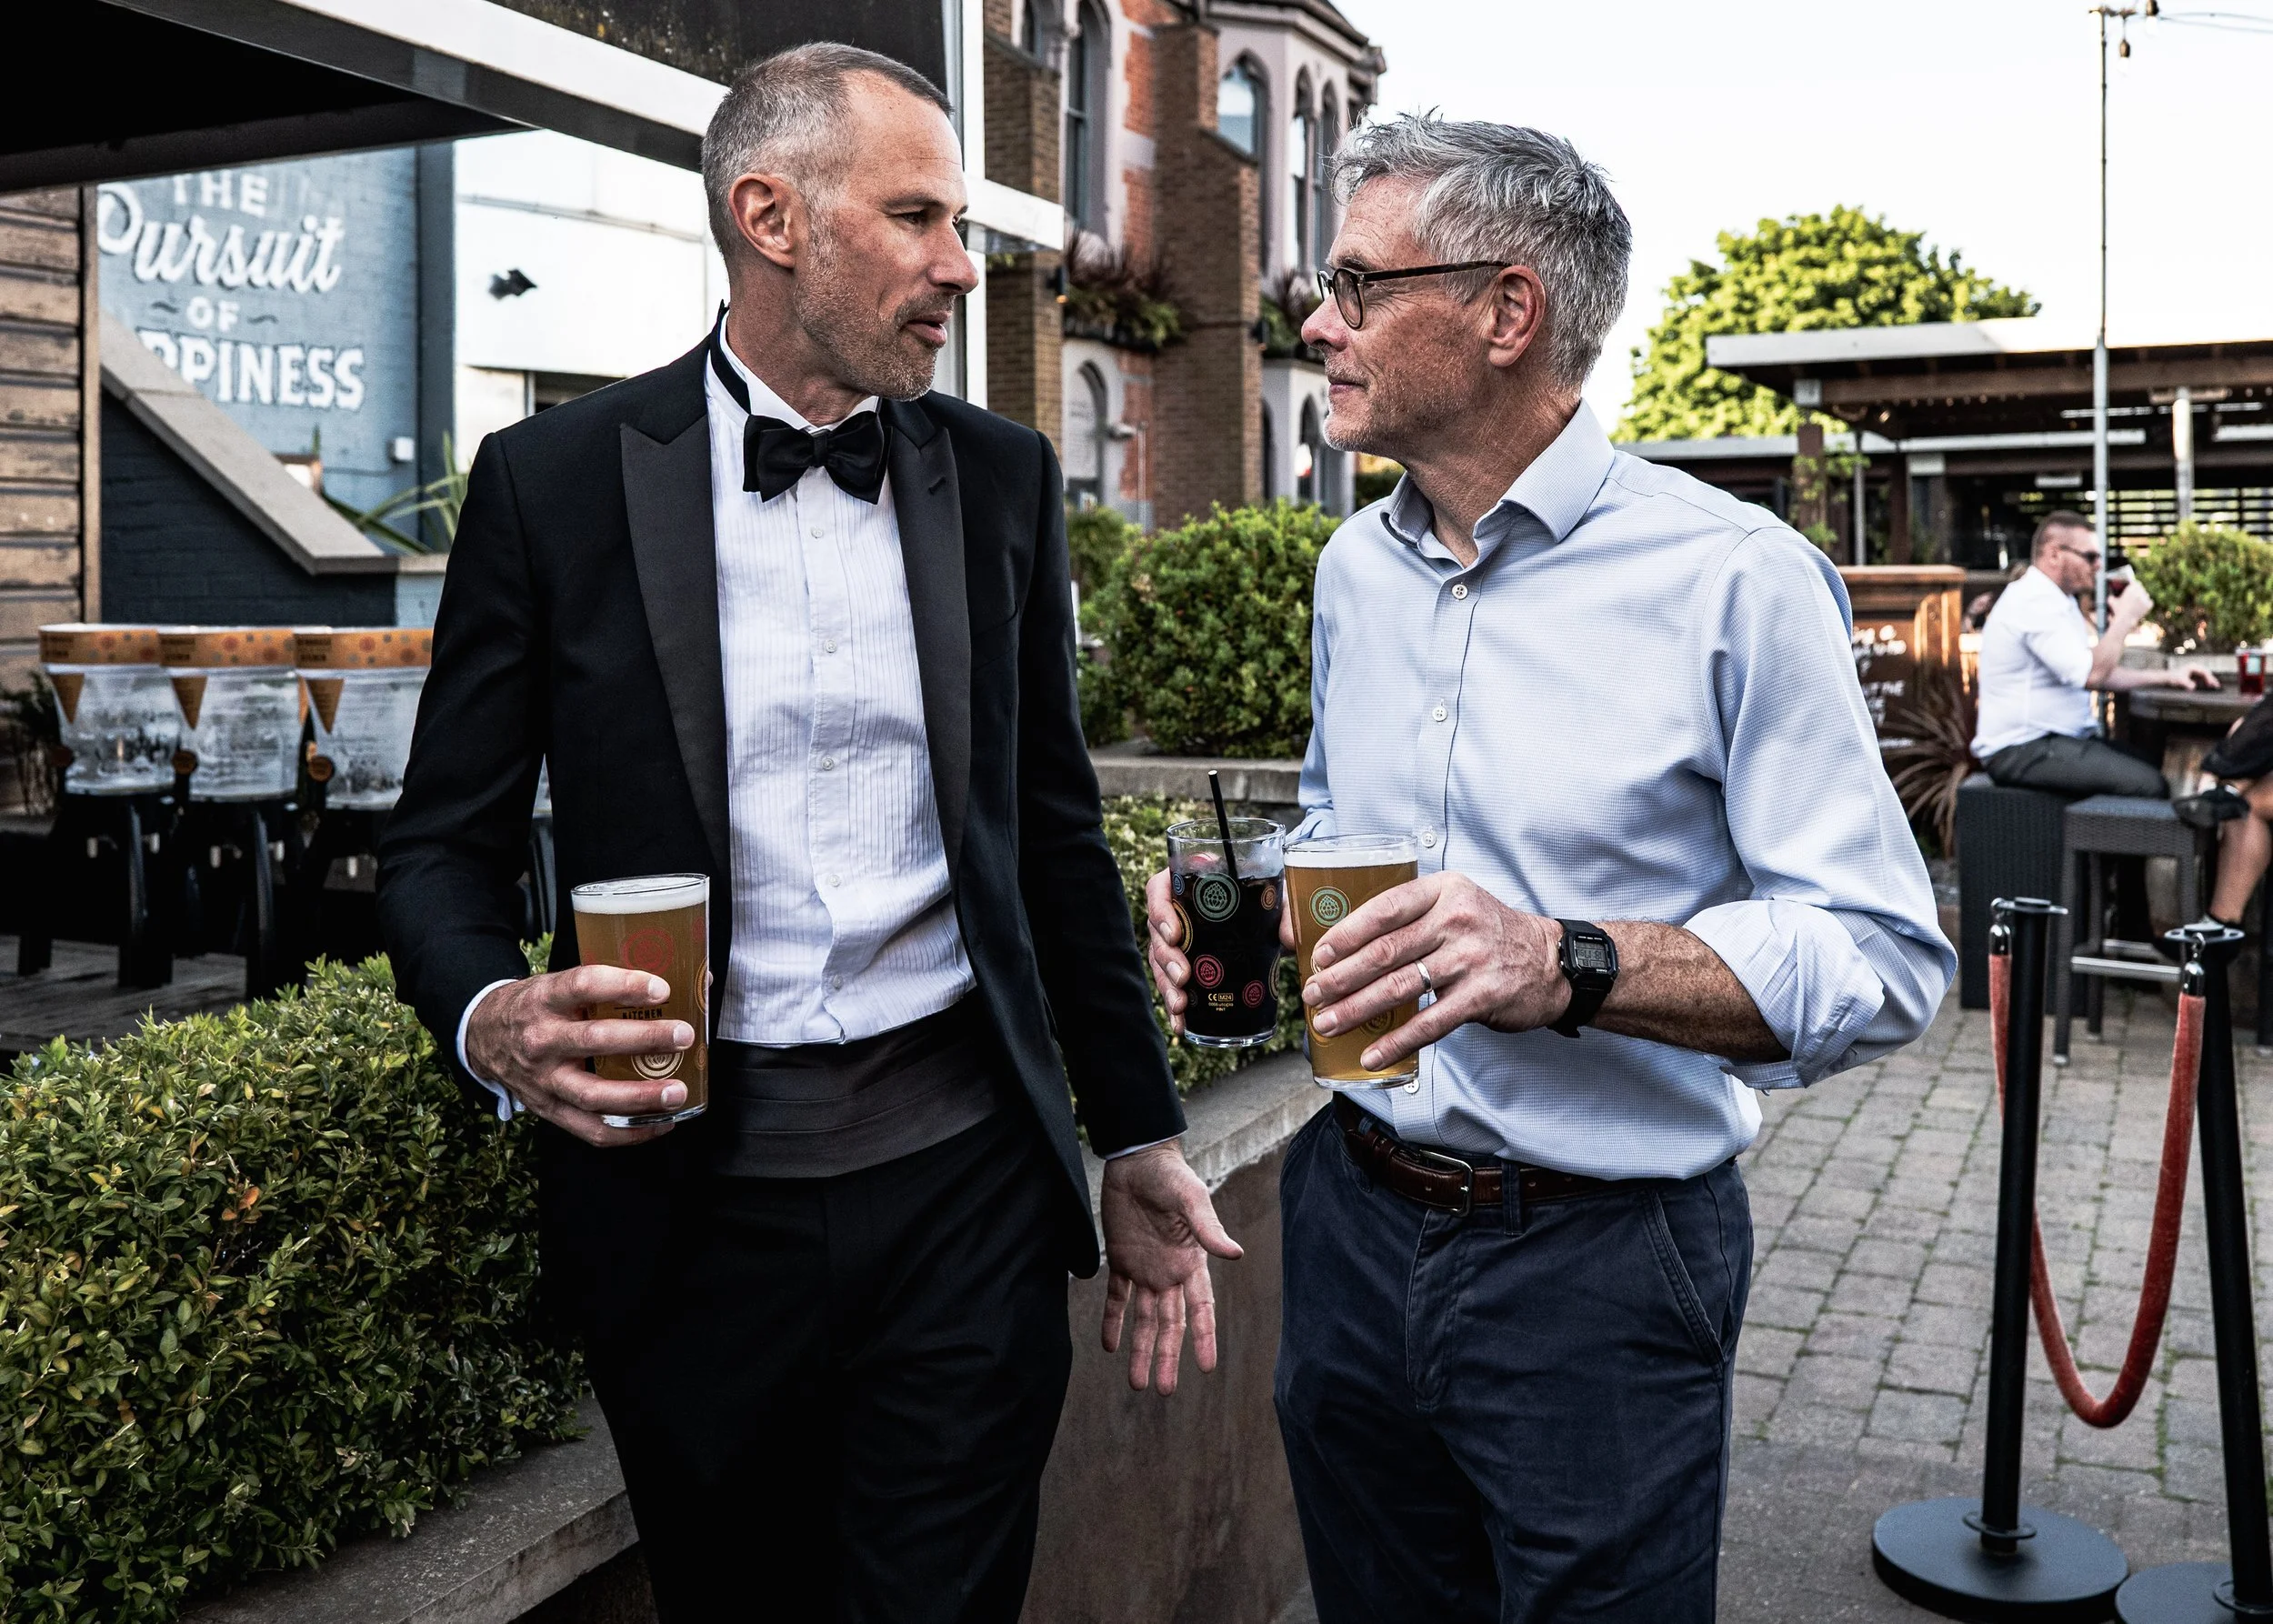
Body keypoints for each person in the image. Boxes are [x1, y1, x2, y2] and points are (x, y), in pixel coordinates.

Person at [377, 45, 1238, 1623]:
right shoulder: (551, 484)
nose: (961, 267)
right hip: (692, 1220)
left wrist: (1136, 1136)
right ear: (770, 215)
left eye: (960, 222)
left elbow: (1054, 835)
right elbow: (439, 849)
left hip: (967, 1198)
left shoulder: (1003, 478)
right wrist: (490, 1016)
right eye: (916, 216)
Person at [1146, 116, 1955, 1622]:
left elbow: (1887, 958)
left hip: (1601, 1264)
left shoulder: (1734, 577)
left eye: (1359, 283)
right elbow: (1346, 832)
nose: (1319, 321)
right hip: (1347, 1218)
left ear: (1508, 311)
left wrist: (1564, 962)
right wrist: (1249, 908)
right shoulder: (1352, 571)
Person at [1971, 510, 2218, 797]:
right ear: (2054, 555)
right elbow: (2093, 674)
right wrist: (2125, 619)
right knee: (2149, 784)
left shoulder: (2057, 600)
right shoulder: (2033, 601)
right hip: (2023, 748)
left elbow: (2097, 671)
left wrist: (2171, 677)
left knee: (2154, 765)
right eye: (2090, 557)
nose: (2099, 566)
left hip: (2055, 741)